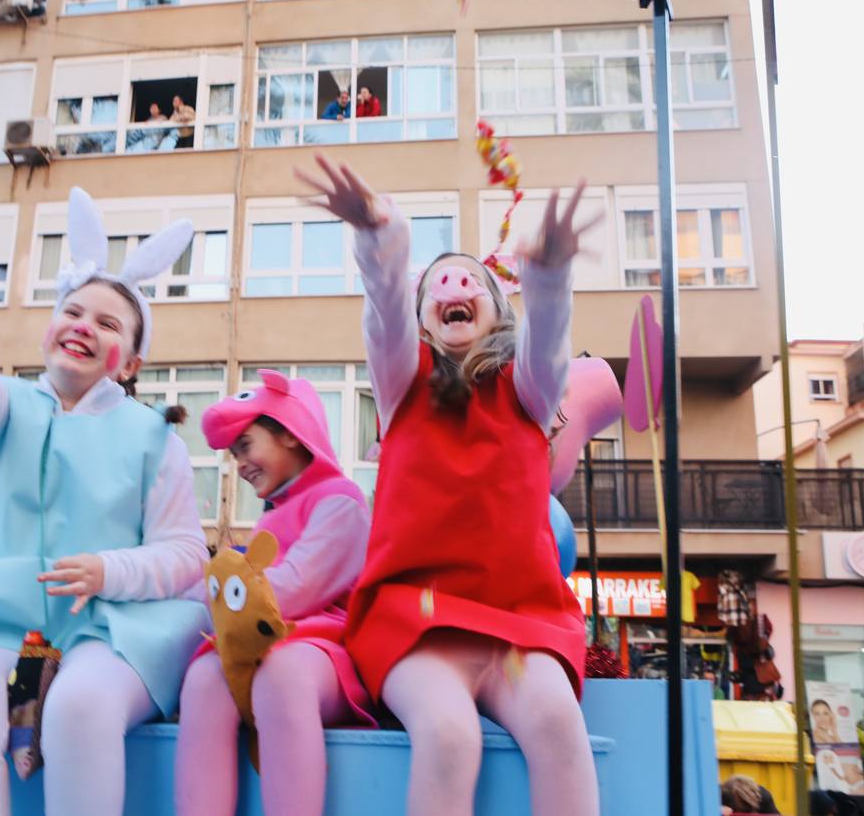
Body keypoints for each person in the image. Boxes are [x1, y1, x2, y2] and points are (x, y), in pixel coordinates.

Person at [0, 177, 209, 816]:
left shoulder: (151, 436)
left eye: (109, 323)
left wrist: (112, 570)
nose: (84, 326)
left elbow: (186, 551)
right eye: (73, 312)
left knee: (82, 707)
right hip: (15, 631)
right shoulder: (4, 409)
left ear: (131, 363)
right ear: (48, 330)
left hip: (114, 631)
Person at [295, 154, 603, 816]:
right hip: (418, 620)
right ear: (425, 314)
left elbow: (550, 339)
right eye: (437, 283)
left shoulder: (527, 389)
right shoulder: (402, 381)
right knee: (448, 734)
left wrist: (548, 272)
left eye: (473, 282)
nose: (454, 284)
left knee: (558, 727)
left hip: (521, 624)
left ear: (498, 311)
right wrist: (379, 235)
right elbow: (383, 309)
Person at [175, 371, 374, 816]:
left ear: (289, 432)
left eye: (245, 446)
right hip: (261, 646)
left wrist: (211, 598)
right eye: (233, 454)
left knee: (282, 677)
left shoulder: (340, 501)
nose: (239, 464)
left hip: (327, 652)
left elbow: (295, 589)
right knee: (204, 680)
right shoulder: (273, 518)